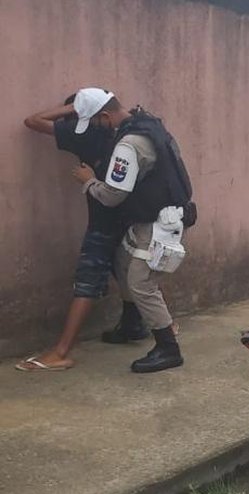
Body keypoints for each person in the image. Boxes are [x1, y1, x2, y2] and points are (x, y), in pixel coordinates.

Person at [75, 95, 193, 373]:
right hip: (157, 217)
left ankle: (168, 348)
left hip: (157, 225)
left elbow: (114, 194)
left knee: (142, 283)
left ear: (104, 117)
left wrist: (89, 181)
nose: (97, 128)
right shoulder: (151, 126)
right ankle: (131, 325)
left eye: (94, 122)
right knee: (122, 261)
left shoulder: (128, 145)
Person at [17, 88, 122, 372]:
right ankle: (153, 325)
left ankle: (61, 351)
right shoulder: (124, 131)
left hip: (103, 219)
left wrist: (73, 109)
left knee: (88, 279)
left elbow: (33, 120)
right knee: (129, 271)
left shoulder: (84, 133)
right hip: (128, 215)